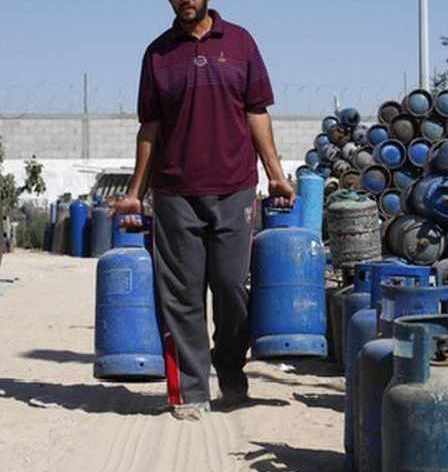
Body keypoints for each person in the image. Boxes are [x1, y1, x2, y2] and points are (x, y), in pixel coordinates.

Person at [114, 0, 295, 421]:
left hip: (234, 187)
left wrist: (276, 174)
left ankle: (231, 372)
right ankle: (192, 391)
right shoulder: (158, 53)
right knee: (183, 297)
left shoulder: (240, 42)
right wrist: (135, 191)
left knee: (232, 288)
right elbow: (150, 128)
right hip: (176, 191)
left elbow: (257, 112)